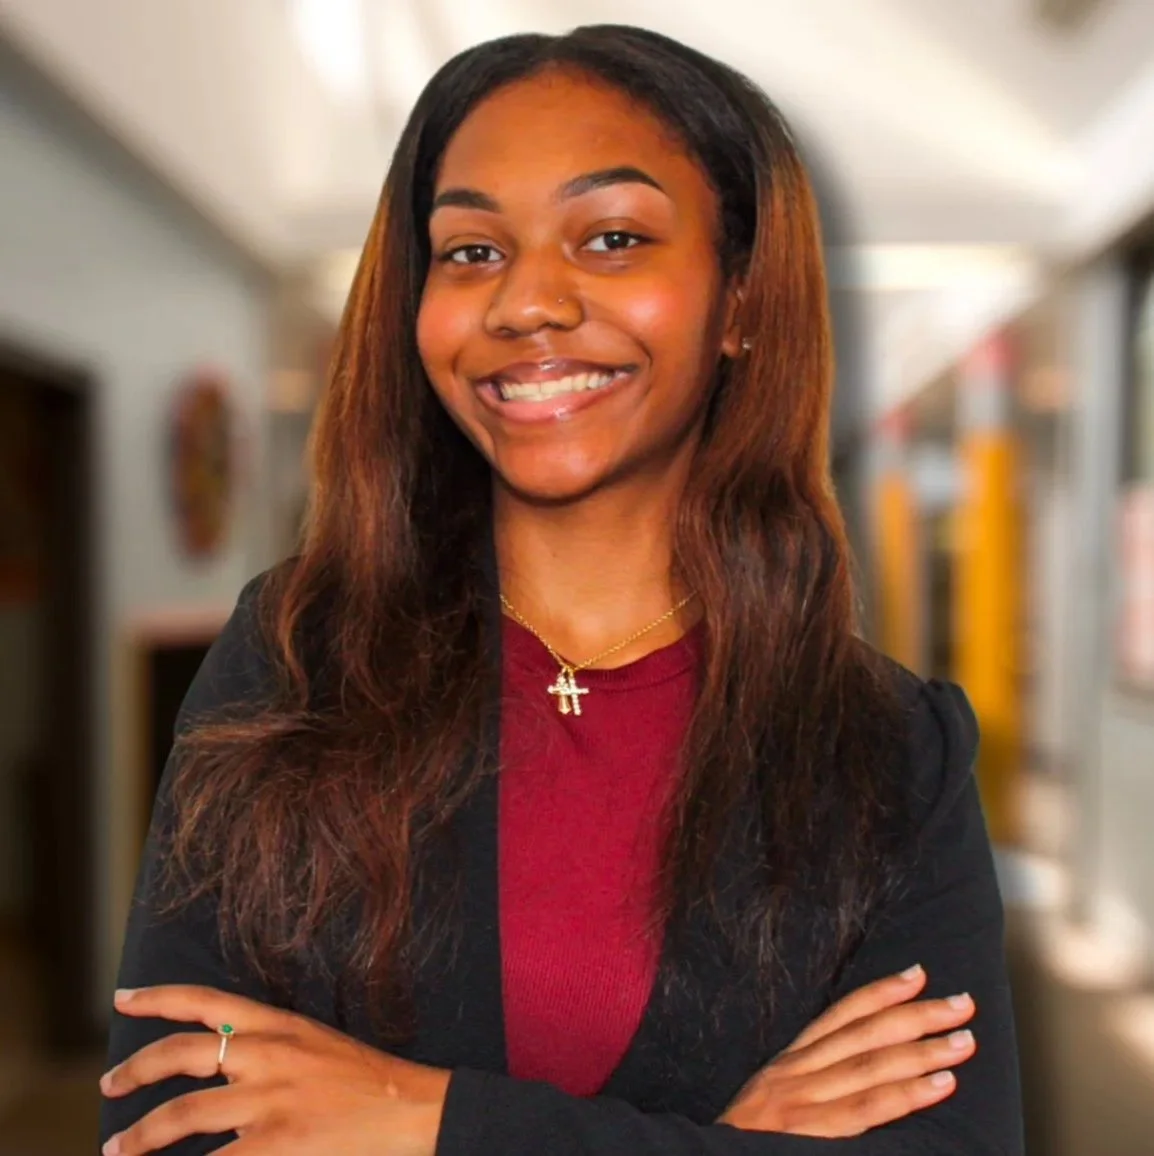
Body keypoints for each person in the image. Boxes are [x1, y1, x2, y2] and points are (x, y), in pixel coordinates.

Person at [98, 24, 1022, 1156]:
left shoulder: (890, 752)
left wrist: (425, 1119)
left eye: (613, 236)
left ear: (738, 300)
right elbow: (168, 1118)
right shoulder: (296, 658)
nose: (525, 302)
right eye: (471, 252)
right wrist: (719, 1138)